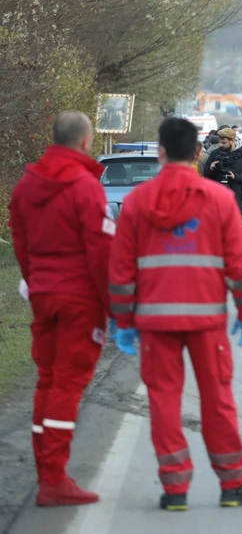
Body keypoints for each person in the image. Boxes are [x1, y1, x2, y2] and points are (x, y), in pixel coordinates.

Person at [109, 117, 242, 511]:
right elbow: (240, 266)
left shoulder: (139, 202)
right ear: (197, 152)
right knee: (218, 401)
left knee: (163, 402)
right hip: (206, 322)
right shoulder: (218, 200)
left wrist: (124, 322)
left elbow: (122, 272)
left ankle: (175, 490)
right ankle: (233, 485)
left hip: (155, 323)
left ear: (160, 152)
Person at [8, 110, 113, 506]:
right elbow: (101, 253)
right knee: (67, 385)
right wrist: (116, 307)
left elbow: (20, 238)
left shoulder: (26, 185)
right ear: (86, 142)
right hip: (79, 301)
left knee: (48, 383)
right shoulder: (86, 188)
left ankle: (47, 472)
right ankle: (54, 480)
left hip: (43, 295)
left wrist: (35, 280)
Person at [203, 128, 242, 222]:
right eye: (220, 142)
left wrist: (236, 176)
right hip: (218, 201)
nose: (221, 145)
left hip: (238, 201)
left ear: (232, 141)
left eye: (224, 143)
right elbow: (205, 176)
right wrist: (211, 168)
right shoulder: (215, 153)